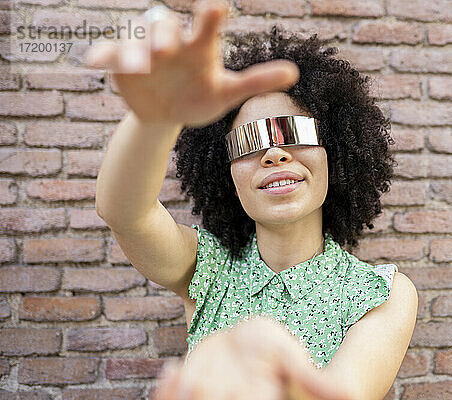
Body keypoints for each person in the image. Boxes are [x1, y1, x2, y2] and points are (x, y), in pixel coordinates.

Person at [86, 0, 418, 399]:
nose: (274, 155)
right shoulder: (205, 270)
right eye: (247, 143)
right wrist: (157, 118)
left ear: (336, 154)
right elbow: (125, 212)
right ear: (228, 176)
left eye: (293, 134)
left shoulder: (382, 292)